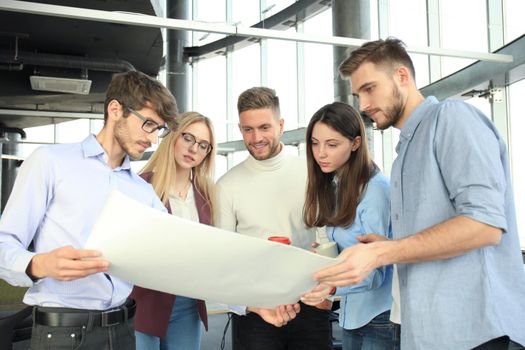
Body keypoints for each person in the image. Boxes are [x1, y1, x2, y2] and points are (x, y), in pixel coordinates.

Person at [314, 37, 525, 350]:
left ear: (402, 76)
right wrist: (388, 246)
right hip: (427, 329)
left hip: (472, 330)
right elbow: (427, 240)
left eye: (370, 88)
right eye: (358, 94)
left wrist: (384, 252)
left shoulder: (452, 119)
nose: (363, 104)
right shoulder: (405, 152)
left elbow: (485, 225)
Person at [0, 70, 177, 350]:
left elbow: (173, 252)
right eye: (149, 125)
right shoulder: (50, 162)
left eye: (159, 130)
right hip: (62, 334)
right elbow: (3, 243)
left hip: (123, 331)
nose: (153, 140)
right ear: (115, 109)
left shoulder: (143, 192)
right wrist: (39, 264)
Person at [216, 87, 331, 350]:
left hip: (310, 304)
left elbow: (327, 237)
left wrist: (328, 292)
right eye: (248, 129)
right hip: (256, 311)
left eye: (264, 127)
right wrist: (251, 305)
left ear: (280, 126)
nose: (256, 137)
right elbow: (222, 260)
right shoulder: (226, 186)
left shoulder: (313, 173)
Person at [300, 102, 400, 350]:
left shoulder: (375, 191)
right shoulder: (337, 184)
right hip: (353, 313)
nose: (320, 153)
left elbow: (375, 271)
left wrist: (331, 286)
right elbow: (354, 249)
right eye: (315, 143)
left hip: (378, 316)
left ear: (355, 144)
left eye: (332, 145)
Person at [131, 111, 216, 350]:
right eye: (188, 138)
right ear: (173, 136)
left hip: (188, 303)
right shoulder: (139, 186)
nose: (194, 149)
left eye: (203, 145)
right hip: (144, 301)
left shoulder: (208, 195)